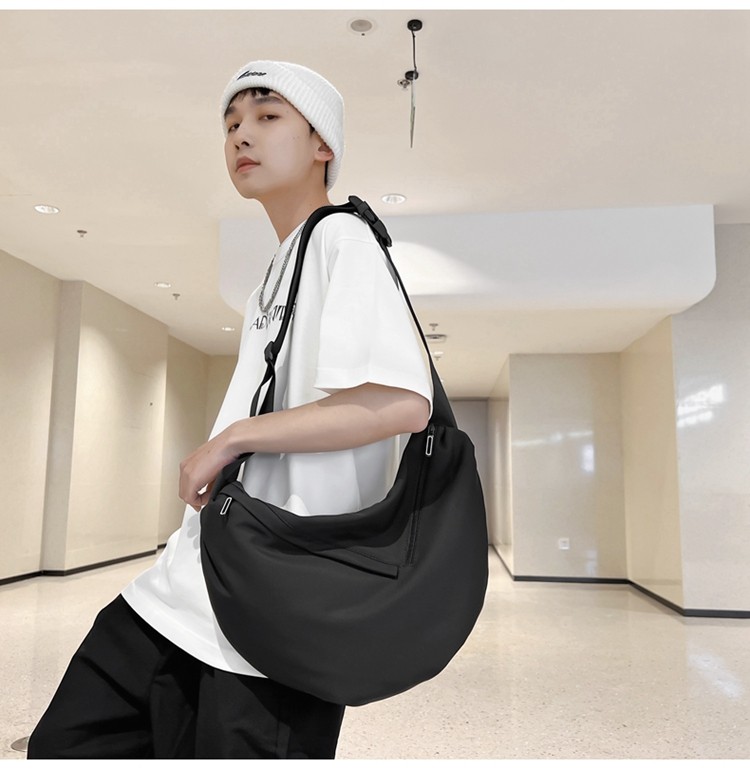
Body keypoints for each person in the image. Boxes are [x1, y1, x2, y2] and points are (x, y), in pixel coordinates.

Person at [27, 60, 432, 760]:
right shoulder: (274, 273)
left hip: (280, 603)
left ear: (323, 144)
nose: (242, 134)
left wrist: (232, 438)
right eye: (232, 123)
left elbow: (400, 402)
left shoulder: (342, 237)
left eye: (268, 116)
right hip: (196, 576)